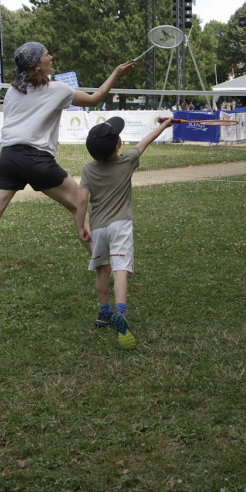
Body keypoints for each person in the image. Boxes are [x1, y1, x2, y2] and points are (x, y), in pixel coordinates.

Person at [0, 42, 134, 305]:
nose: (52, 57)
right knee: (80, 209)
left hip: (8, 159)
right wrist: (116, 74)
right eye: (47, 55)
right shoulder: (58, 90)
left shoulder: (13, 91)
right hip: (38, 160)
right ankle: (104, 268)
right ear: (38, 64)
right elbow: (95, 98)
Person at [77, 116, 174, 350]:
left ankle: (103, 312)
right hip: (120, 225)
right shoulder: (127, 160)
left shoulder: (88, 169)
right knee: (120, 268)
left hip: (98, 227)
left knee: (102, 269)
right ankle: (120, 310)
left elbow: (81, 199)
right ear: (118, 145)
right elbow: (144, 142)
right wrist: (163, 125)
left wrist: (81, 226)